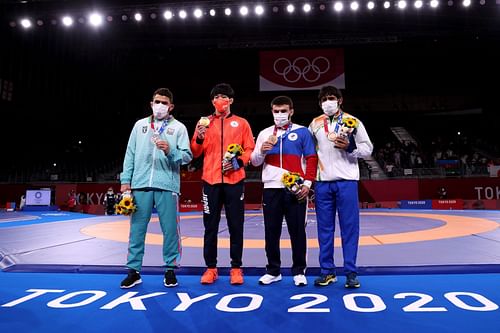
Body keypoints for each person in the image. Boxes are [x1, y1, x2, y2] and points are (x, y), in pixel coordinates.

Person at [119, 88, 193, 289]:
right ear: (151, 103)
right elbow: (130, 154)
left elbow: (187, 156)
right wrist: (126, 181)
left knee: (170, 230)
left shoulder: (178, 128)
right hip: (140, 184)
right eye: (156, 101)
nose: (160, 105)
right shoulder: (140, 125)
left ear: (171, 106)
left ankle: (170, 270)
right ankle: (133, 271)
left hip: (166, 185)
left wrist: (170, 150)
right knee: (136, 230)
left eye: (164, 102)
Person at [308, 85, 373, 288]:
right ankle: (327, 272)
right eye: (324, 99)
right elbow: (309, 155)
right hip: (323, 183)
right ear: (320, 103)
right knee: (324, 230)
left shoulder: (353, 121)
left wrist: (351, 147)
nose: (328, 102)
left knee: (349, 229)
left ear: (340, 100)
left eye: (332, 98)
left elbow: (368, 149)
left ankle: (351, 272)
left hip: (347, 182)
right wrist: (308, 181)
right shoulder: (315, 124)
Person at [190, 83, 255, 285]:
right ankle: (211, 268)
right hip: (210, 180)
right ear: (212, 101)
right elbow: (195, 152)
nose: (220, 100)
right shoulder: (204, 123)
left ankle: (236, 268)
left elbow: (249, 149)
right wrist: (199, 138)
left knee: (236, 225)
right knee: (210, 226)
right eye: (217, 96)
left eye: (224, 96)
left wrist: (238, 162)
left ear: (231, 101)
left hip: (234, 180)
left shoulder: (242, 123)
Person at [250, 96, 318, 286]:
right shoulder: (264, 133)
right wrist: (262, 151)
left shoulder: (302, 132)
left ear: (291, 111)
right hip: (271, 188)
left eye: (283, 111)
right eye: (276, 111)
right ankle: (273, 271)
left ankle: (299, 271)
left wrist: (307, 184)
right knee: (271, 232)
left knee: (297, 232)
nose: (280, 114)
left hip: (295, 189)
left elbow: (311, 159)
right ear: (271, 111)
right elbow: (254, 161)